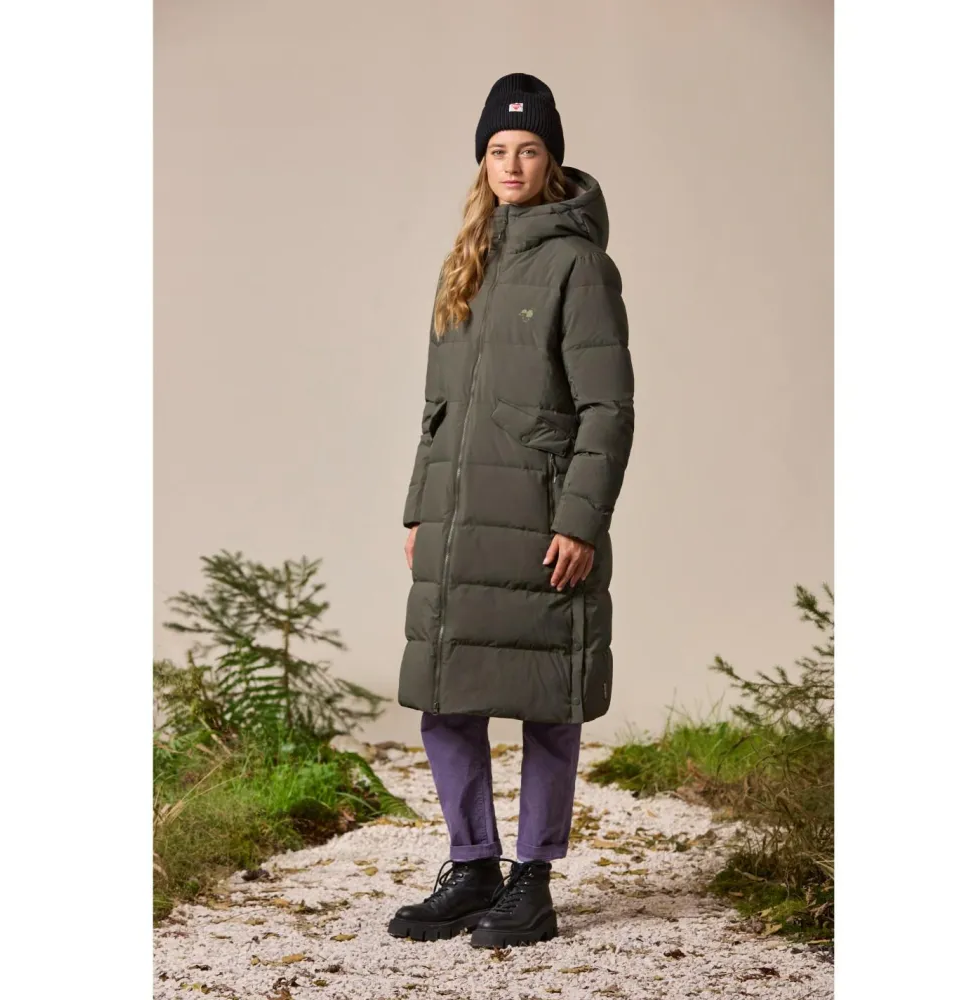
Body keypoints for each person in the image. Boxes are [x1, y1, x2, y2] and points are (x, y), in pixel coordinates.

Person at [387, 72, 635, 949]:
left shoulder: (579, 264)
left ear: (552, 158)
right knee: (445, 698)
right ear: (483, 160)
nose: (513, 164)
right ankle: (472, 868)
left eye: (528, 149)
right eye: (498, 149)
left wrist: (580, 520)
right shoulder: (466, 259)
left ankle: (532, 881)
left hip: (539, 519)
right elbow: (438, 409)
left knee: (545, 702)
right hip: (457, 523)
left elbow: (607, 408)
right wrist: (420, 509)